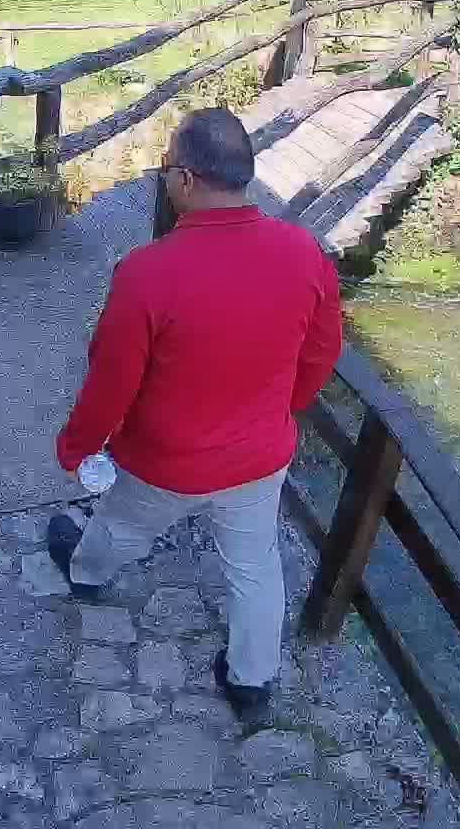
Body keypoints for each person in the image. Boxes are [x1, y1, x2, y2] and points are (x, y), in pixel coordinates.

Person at [50, 107, 344, 726]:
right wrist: (279, 411)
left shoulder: (147, 274)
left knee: (119, 528)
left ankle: (87, 574)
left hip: (165, 461)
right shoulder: (304, 252)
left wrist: (79, 447)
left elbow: (112, 381)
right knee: (255, 567)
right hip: (260, 455)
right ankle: (252, 682)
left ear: (184, 178)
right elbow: (322, 352)